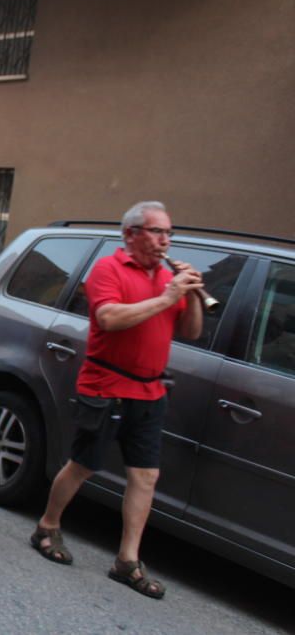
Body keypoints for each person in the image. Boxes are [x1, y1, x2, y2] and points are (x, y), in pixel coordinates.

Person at [29, 200, 203, 600]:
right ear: (130, 234)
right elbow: (109, 318)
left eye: (168, 233)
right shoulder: (107, 270)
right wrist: (166, 296)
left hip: (151, 391)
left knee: (145, 476)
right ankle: (47, 524)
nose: (165, 241)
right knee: (83, 465)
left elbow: (191, 332)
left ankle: (127, 559)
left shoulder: (168, 277)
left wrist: (191, 296)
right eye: (156, 232)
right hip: (107, 387)